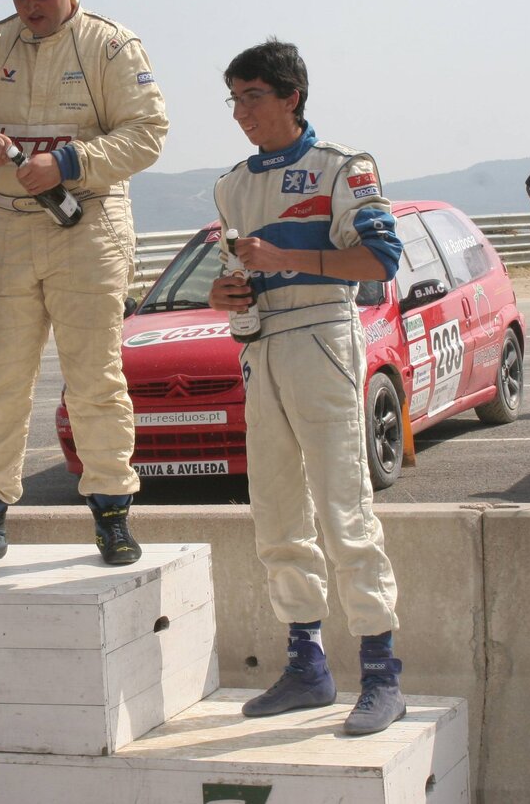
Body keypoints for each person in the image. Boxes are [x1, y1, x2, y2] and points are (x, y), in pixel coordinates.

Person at [0, 0, 168, 568]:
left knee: (94, 378)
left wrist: (69, 161)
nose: (27, 6)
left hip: (89, 223)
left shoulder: (111, 45)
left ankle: (112, 517)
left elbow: (147, 133)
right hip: (7, 223)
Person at [209, 40, 406, 736]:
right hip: (258, 346)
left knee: (343, 505)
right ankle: (306, 663)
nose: (240, 113)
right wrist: (224, 290)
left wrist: (286, 256)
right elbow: (232, 270)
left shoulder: (342, 168)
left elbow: (381, 258)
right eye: (233, 99)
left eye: (253, 97)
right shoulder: (232, 184)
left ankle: (382, 672)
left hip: (324, 331)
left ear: (292, 95)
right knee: (277, 511)